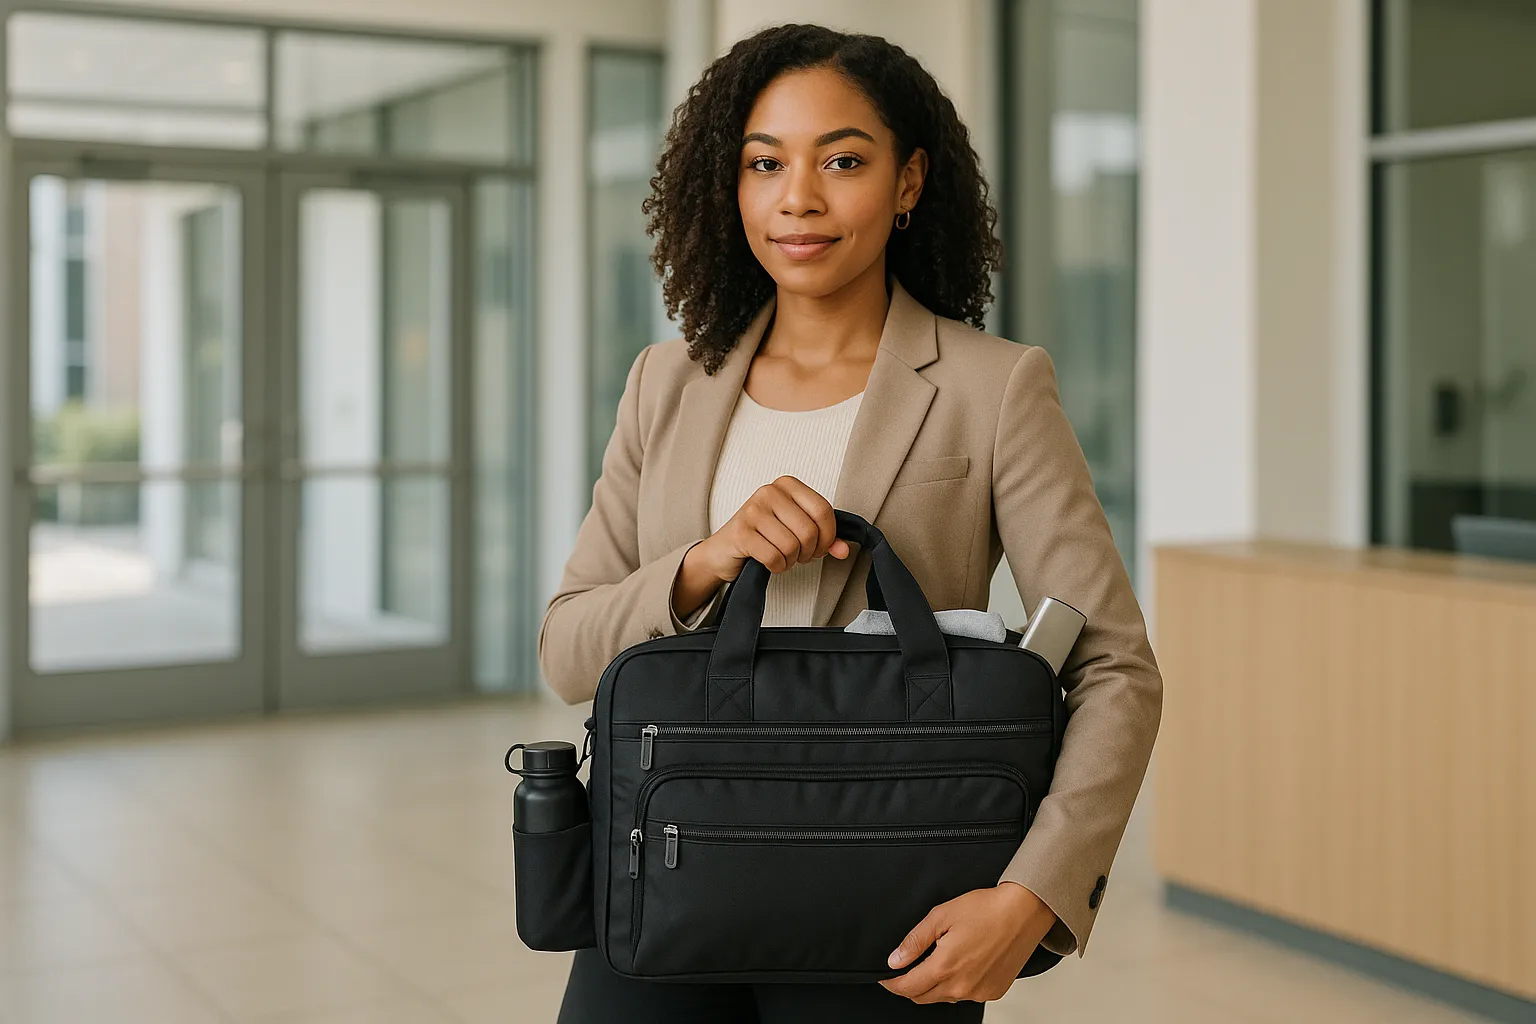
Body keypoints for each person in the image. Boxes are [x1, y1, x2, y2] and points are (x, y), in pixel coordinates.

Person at [537, 22, 1162, 1024]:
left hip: (893, 899)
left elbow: (1115, 665)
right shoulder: (666, 385)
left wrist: (1033, 893)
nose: (800, 197)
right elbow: (568, 651)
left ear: (909, 183)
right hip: (663, 877)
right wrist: (704, 562)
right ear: (729, 185)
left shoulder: (992, 388)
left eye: (843, 160)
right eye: (764, 162)